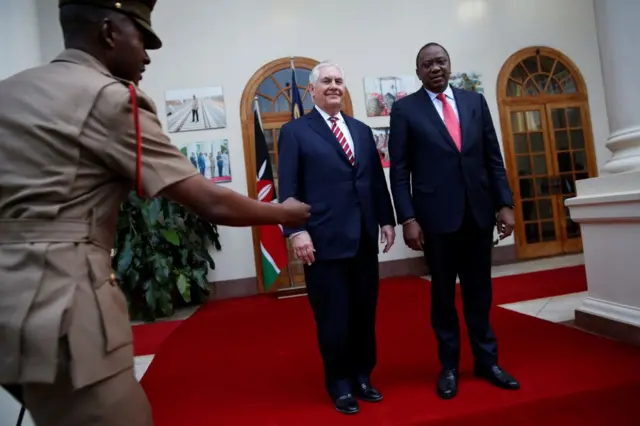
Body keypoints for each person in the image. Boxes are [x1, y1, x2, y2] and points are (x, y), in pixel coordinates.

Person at [0, 1, 310, 425]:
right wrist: (285, 211)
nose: (147, 55)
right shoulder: (111, 98)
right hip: (62, 304)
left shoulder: (11, 91)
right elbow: (209, 201)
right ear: (109, 32)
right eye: (142, 39)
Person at [388, 42, 520, 400]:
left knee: (480, 293)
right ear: (418, 72)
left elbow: (493, 157)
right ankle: (448, 366)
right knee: (443, 298)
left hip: (478, 215)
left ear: (450, 65)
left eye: (440, 61)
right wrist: (408, 218)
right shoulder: (404, 110)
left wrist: (504, 204)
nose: (435, 68)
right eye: (427, 64)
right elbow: (399, 171)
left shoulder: (474, 102)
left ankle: (487, 361)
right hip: (435, 221)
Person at [278, 61, 396, 415]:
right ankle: (340, 384)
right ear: (312, 90)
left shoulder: (361, 130)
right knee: (333, 317)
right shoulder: (296, 131)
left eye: (338, 81)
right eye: (326, 81)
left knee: (363, 313)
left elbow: (375, 180)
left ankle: (362, 376)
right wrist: (296, 231)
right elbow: (289, 188)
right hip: (323, 242)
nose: (333, 86)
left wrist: (387, 221)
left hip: (362, 238)